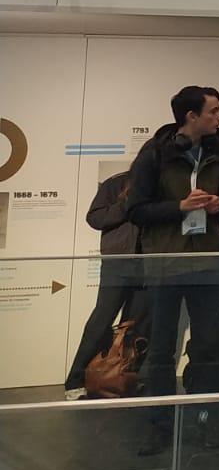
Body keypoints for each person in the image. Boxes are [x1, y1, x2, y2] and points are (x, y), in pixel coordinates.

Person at [126, 85, 219, 453]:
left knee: (208, 347)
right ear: (192, 116)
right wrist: (180, 207)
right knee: (161, 349)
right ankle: (158, 424)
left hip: (207, 261)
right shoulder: (154, 153)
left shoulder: (218, 151)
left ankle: (207, 419)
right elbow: (136, 210)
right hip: (166, 263)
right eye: (213, 110)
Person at [64, 169, 148, 399]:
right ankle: (75, 380)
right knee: (101, 321)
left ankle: (124, 380)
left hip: (150, 263)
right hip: (117, 263)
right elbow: (95, 218)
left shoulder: (165, 184)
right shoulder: (117, 182)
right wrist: (127, 203)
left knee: (137, 326)